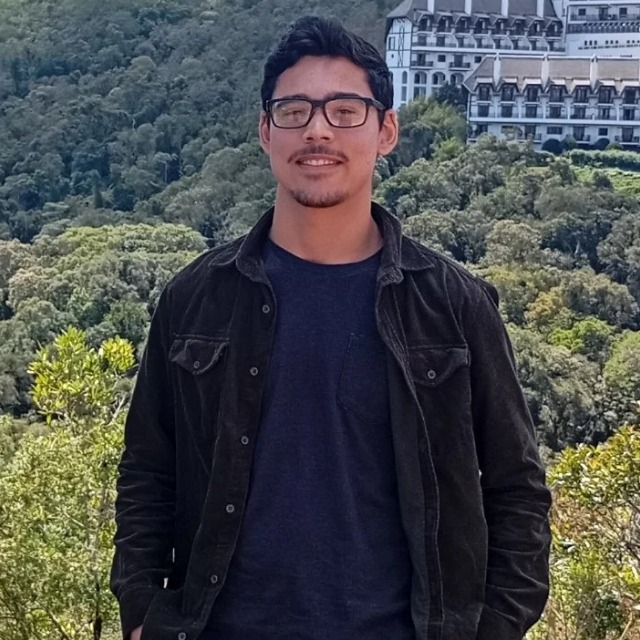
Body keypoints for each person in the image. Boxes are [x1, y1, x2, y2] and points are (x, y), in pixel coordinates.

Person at [110, 15, 551, 640]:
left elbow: (517, 489)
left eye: (345, 110)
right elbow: (148, 473)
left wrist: (495, 627)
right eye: (294, 111)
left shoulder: (455, 306)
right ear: (266, 131)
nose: (317, 129)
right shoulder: (195, 300)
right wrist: (142, 613)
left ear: (386, 130)